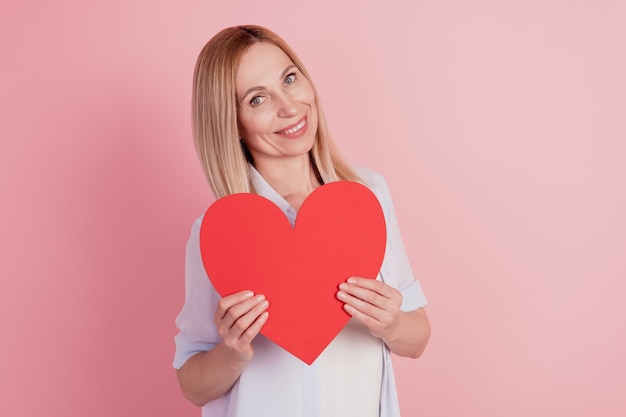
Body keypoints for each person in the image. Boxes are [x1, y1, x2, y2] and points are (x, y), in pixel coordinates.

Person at [173, 25, 431, 417]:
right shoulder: (219, 232)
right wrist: (231, 352)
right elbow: (192, 385)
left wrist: (390, 322)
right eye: (258, 99)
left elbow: (417, 339)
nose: (289, 107)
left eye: (289, 79)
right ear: (234, 123)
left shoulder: (369, 195)